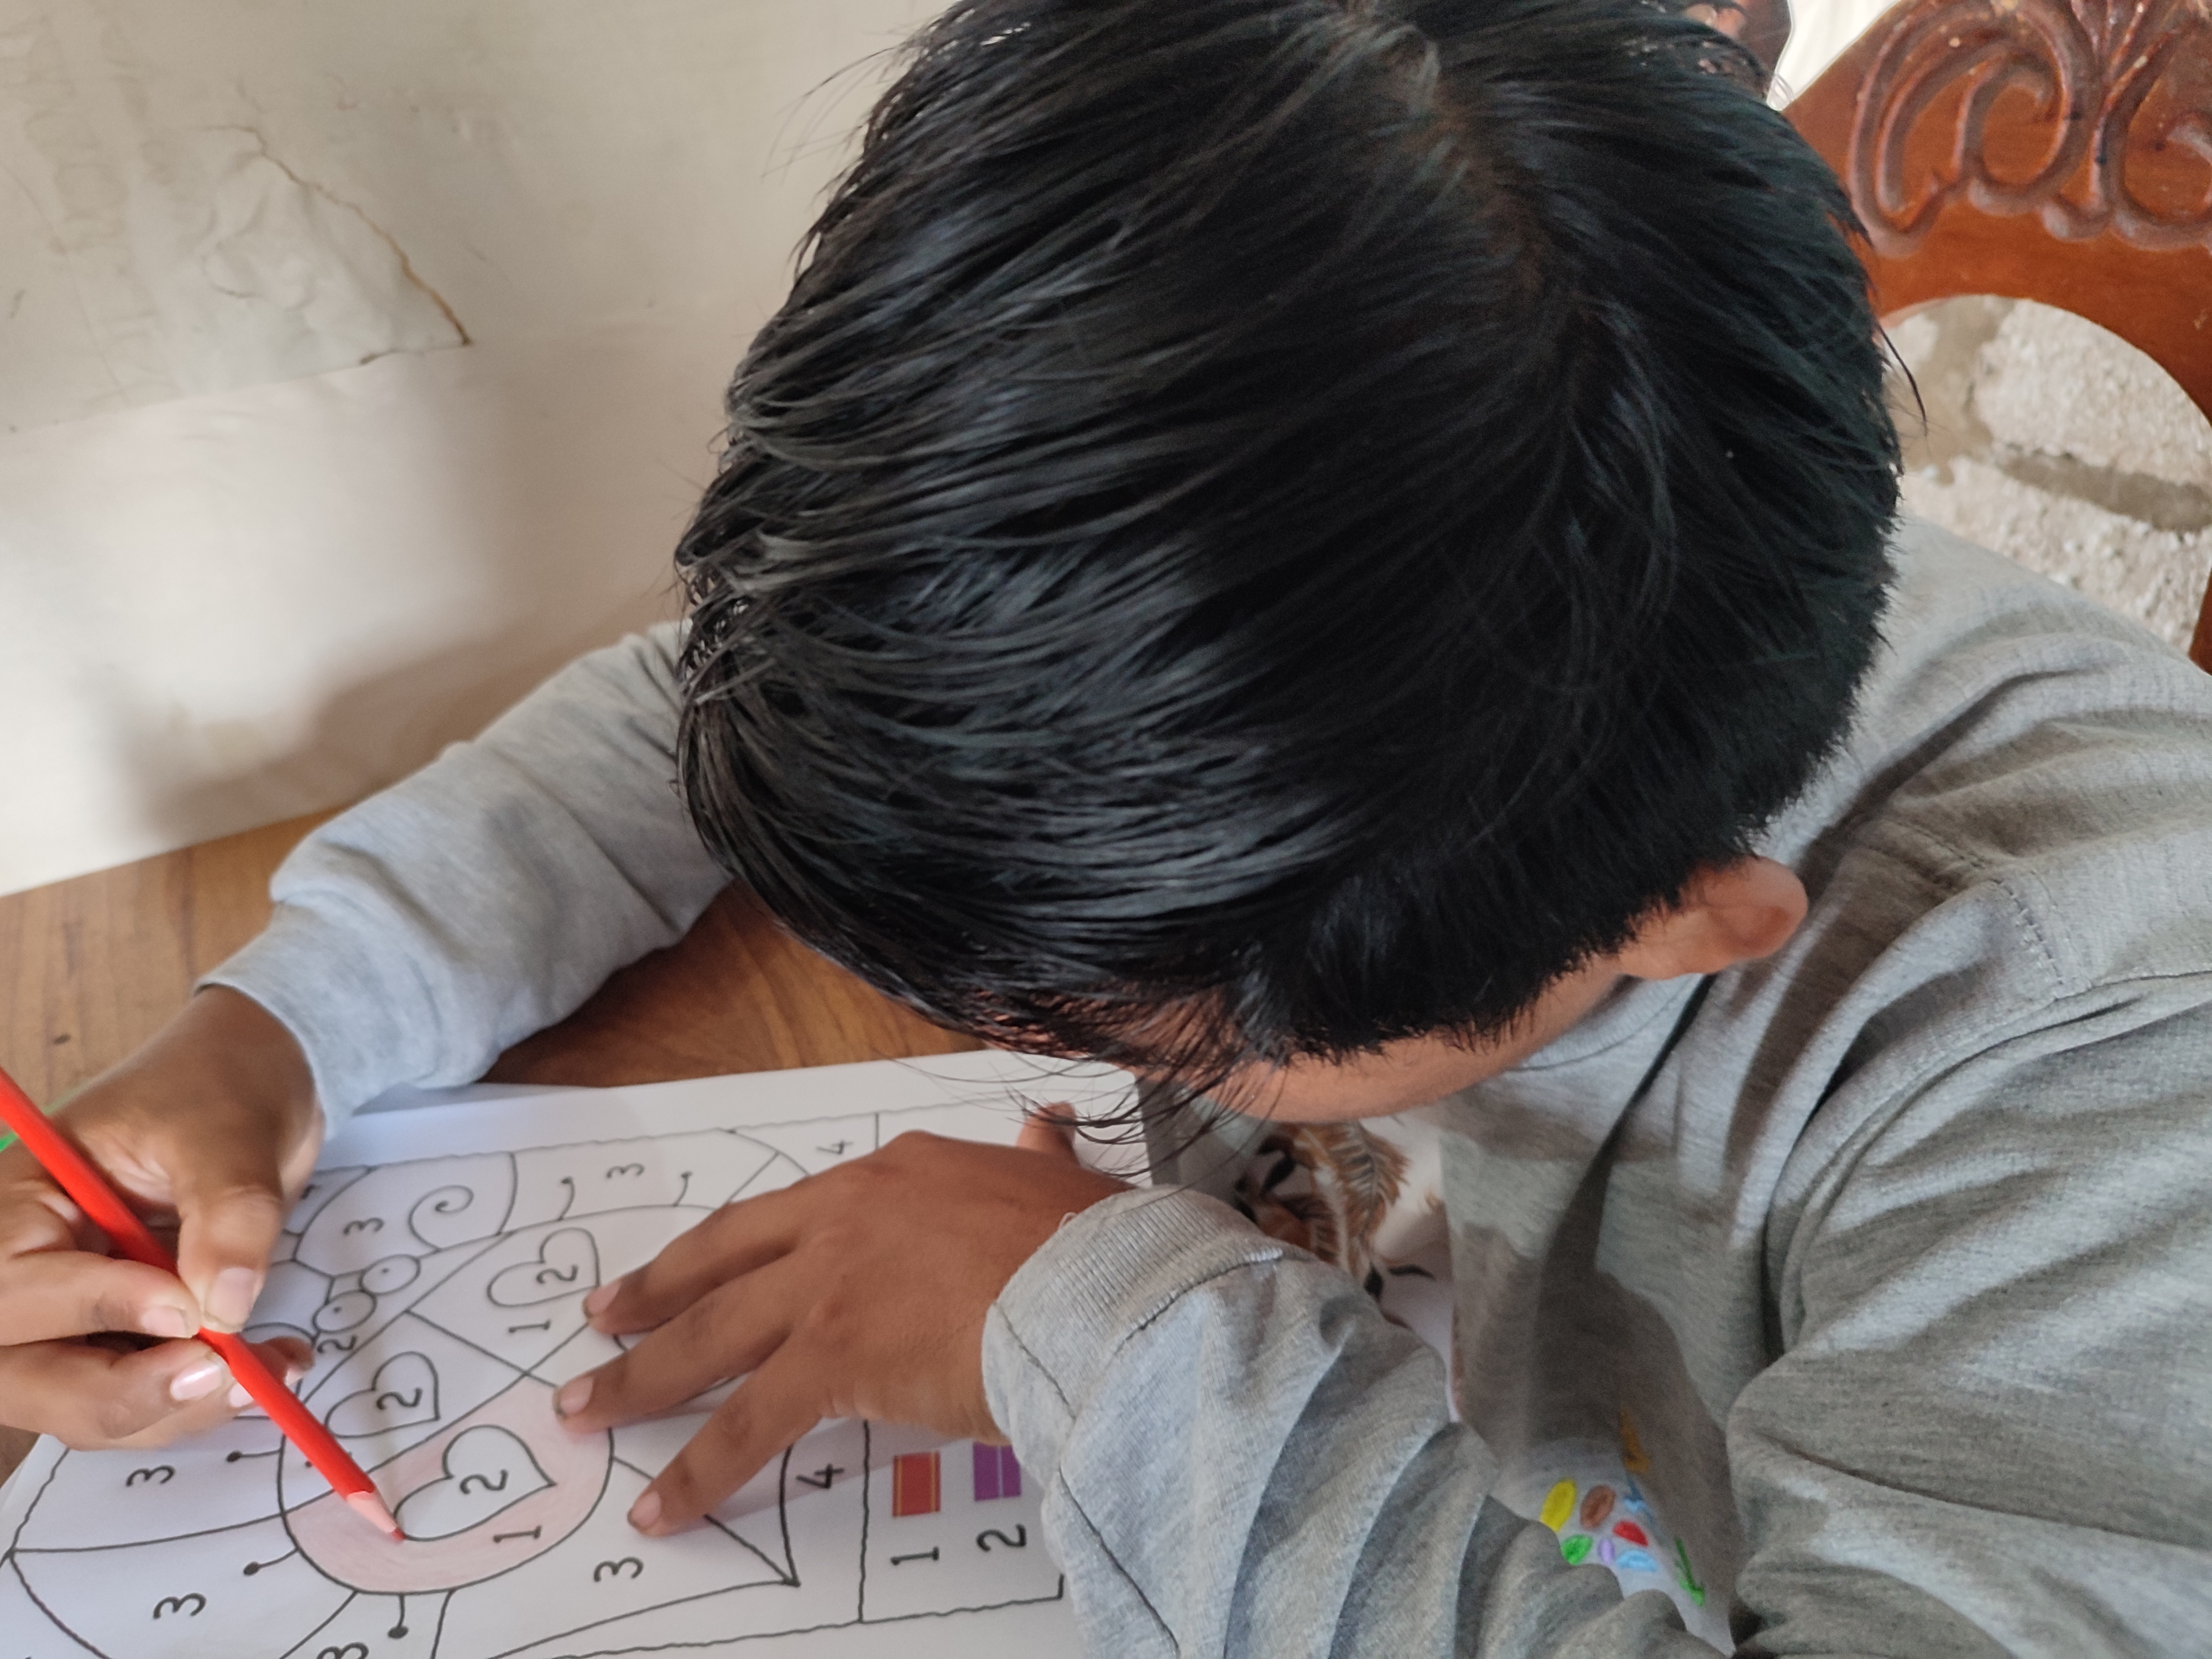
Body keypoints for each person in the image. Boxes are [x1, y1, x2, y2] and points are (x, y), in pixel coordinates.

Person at [3, 0, 2207, 1650]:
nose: (1021, 1056)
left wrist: (1091, 1320)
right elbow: (697, 708)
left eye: (1140, 1031)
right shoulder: (1415, 623)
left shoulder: (2104, 1081)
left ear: (1676, 923)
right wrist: (274, 1036)